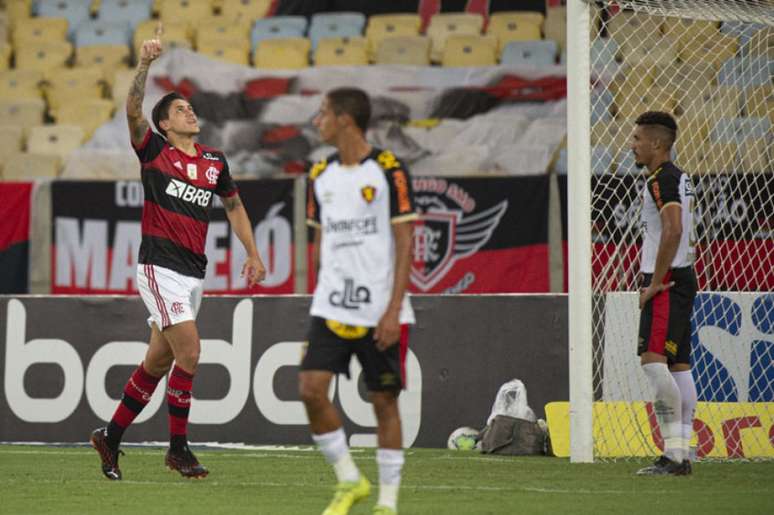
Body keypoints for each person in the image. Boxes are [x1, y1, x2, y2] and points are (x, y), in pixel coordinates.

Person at [90, 24, 266, 480]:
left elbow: (234, 206)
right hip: (158, 268)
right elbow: (132, 111)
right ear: (164, 123)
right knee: (190, 353)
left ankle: (110, 437)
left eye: (191, 107)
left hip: (193, 274)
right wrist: (146, 63)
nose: (189, 112)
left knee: (159, 361)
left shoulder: (213, 163)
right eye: (180, 109)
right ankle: (178, 449)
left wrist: (252, 252)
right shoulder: (152, 151)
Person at [300, 88, 417, 515]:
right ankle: (350, 480)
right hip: (331, 306)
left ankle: (387, 504)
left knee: (383, 402)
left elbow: (406, 242)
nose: (318, 121)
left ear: (346, 120)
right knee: (310, 390)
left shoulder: (389, 169)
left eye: (324, 113)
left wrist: (392, 310)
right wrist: (319, 293)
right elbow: (318, 244)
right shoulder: (320, 174)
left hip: (380, 310)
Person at [630, 111, 697, 476]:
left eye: (638, 138)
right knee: (679, 365)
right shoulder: (680, 177)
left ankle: (673, 456)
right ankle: (683, 452)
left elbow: (672, 229)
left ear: (657, 143)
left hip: (668, 280)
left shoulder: (662, 180)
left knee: (654, 363)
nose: (633, 144)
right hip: (684, 276)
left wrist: (654, 281)